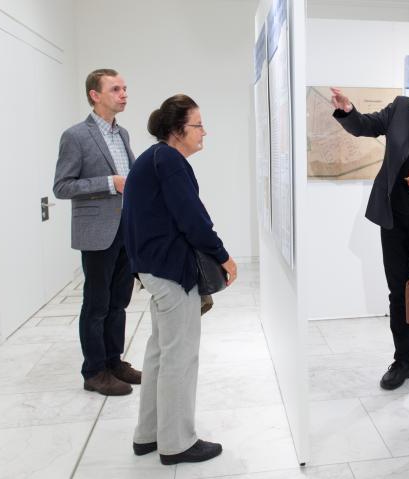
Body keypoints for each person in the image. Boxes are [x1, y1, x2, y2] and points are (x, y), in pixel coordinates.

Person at [123, 94, 237, 465]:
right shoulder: (169, 161)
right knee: (180, 358)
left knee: (161, 351)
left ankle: (149, 435)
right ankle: (176, 443)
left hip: (153, 268)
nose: (205, 132)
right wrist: (224, 257)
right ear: (177, 130)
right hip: (170, 271)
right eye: (198, 125)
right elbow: (192, 220)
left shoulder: (155, 158)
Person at [331, 65, 409, 390]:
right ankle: (403, 361)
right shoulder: (403, 108)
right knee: (399, 291)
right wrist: (347, 110)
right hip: (394, 218)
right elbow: (366, 125)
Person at [53, 68, 140, 396]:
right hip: (97, 232)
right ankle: (94, 371)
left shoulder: (123, 135)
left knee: (119, 301)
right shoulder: (75, 136)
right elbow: (62, 186)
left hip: (125, 229)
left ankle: (114, 362)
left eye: (125, 88)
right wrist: (109, 183)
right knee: (97, 303)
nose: (123, 94)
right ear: (95, 94)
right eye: (116, 89)